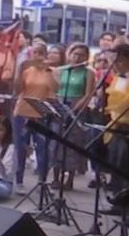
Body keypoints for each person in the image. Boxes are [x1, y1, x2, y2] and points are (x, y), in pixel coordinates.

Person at [11, 43, 59, 193]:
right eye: (35, 53)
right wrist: (20, 69)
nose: (37, 56)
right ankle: (18, 181)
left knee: (43, 149)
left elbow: (55, 89)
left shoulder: (52, 71)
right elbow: (18, 89)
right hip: (22, 112)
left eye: (41, 53)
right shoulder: (27, 70)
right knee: (20, 148)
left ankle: (42, 181)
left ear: (45, 54)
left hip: (41, 114)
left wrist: (47, 69)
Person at [53, 42, 95, 190]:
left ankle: (69, 178)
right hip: (59, 106)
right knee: (55, 142)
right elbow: (53, 88)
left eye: (81, 55)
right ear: (69, 54)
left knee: (73, 144)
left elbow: (88, 93)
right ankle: (55, 177)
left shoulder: (88, 72)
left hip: (77, 108)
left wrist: (74, 110)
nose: (77, 58)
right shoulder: (60, 70)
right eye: (75, 54)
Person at [102, 43, 129, 205]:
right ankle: (117, 202)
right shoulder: (119, 77)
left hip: (126, 127)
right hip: (115, 126)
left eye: (118, 61)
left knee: (124, 165)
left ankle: (125, 204)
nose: (115, 65)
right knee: (115, 164)